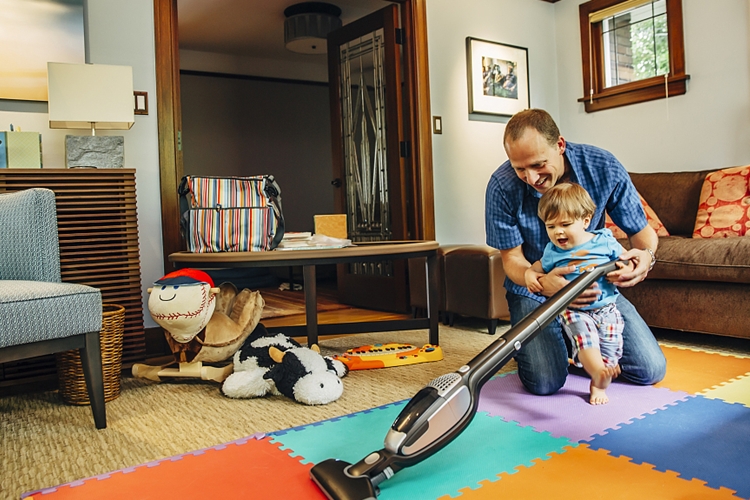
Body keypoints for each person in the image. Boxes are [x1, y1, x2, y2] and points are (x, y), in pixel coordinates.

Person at [485, 108, 666, 396]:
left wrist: (646, 257)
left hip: (596, 292)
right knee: (545, 383)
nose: (531, 178)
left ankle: (574, 342)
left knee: (650, 370)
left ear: (560, 145)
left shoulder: (603, 166)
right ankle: (567, 343)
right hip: (535, 288)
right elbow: (512, 260)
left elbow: (641, 234)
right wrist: (545, 284)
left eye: (538, 164)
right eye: (520, 168)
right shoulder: (501, 186)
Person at [525, 182, 632, 404]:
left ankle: (598, 383)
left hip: (608, 309)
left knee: (611, 352)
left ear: (586, 220)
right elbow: (538, 267)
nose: (558, 232)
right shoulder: (553, 251)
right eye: (550, 226)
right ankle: (597, 374)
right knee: (586, 342)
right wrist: (529, 275)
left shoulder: (604, 240)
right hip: (574, 310)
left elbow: (625, 258)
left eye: (565, 224)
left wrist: (627, 268)